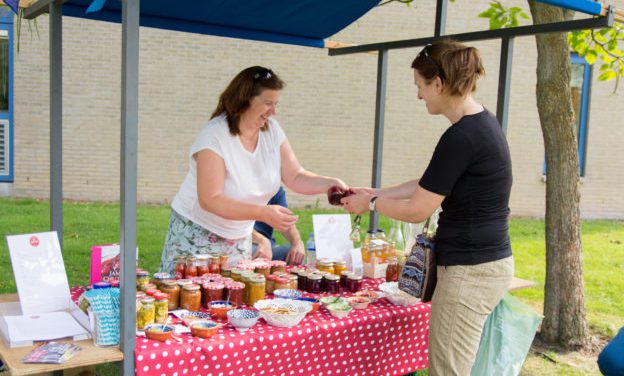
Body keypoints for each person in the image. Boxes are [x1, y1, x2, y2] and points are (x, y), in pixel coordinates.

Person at [341, 40, 514, 376]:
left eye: (420, 86)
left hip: (470, 270)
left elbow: (417, 209)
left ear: (439, 83)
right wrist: (376, 191)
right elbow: (431, 182)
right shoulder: (479, 125)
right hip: (481, 265)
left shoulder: (462, 136)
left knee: (447, 370)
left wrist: (371, 203)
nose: (419, 95)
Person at [160, 66, 346, 273]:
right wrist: (263, 213)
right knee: (190, 299)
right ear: (245, 99)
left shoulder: (272, 131)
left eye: (276, 104)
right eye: (268, 103)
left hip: (238, 239)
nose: (273, 111)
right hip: (195, 235)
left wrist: (330, 183)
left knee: (232, 300)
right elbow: (210, 199)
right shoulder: (214, 136)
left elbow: (295, 176)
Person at [252, 186, 305, 265]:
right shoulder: (239, 189)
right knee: (253, 250)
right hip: (243, 243)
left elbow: (286, 223)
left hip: (268, 246)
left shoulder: (275, 190)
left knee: (297, 254)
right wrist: (262, 240)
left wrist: (297, 242)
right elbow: (235, 226)